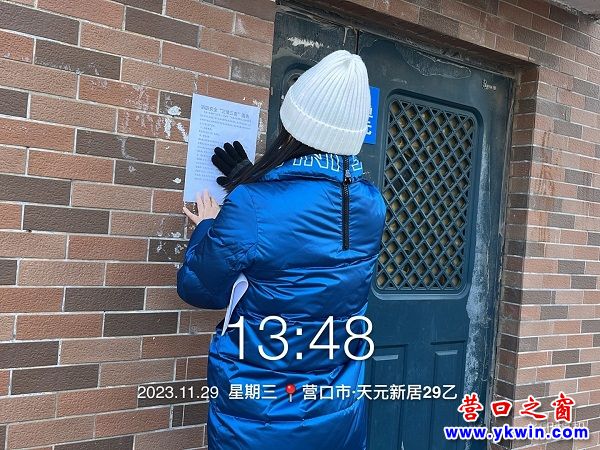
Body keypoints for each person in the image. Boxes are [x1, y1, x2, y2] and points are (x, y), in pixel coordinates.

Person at [177, 50, 387, 450]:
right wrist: (249, 180)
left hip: (260, 416)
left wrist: (208, 226)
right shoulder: (372, 204)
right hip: (338, 413)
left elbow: (199, 288)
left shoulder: (252, 205)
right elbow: (311, 242)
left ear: (292, 126)